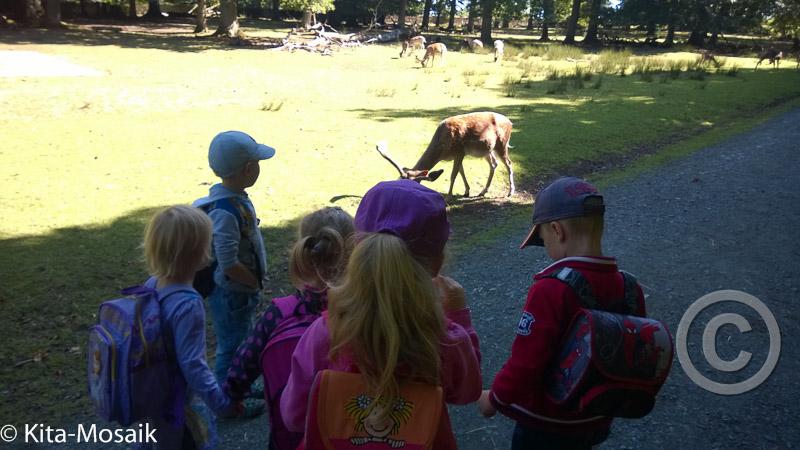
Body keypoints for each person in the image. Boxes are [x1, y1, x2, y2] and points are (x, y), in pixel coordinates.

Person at [280, 180, 482, 447]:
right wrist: (460, 318)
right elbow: (468, 392)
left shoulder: (325, 333)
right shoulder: (446, 338)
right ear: (437, 264)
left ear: (356, 251)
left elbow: (293, 416)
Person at [478, 176, 647, 450]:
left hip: (547, 426)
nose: (546, 248)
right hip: (596, 418)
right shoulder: (630, 286)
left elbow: (526, 363)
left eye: (543, 240)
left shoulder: (551, 288)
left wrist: (494, 399)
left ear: (557, 231)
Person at [224, 206, 356, 450]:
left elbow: (244, 362)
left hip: (288, 437)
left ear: (303, 252)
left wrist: (233, 395)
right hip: (347, 437)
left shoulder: (278, 314)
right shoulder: (362, 315)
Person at [140, 205, 240, 449]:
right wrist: (222, 404)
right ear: (199, 252)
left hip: (149, 394)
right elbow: (193, 366)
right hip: (175, 406)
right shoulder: (188, 304)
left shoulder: (151, 285)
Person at [192, 130, 274, 388]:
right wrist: (254, 283)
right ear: (248, 169)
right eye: (257, 163)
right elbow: (228, 263)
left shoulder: (235, 200)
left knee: (242, 338)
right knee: (231, 346)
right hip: (233, 293)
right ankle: (225, 398)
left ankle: (241, 387)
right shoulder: (225, 212)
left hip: (240, 291)